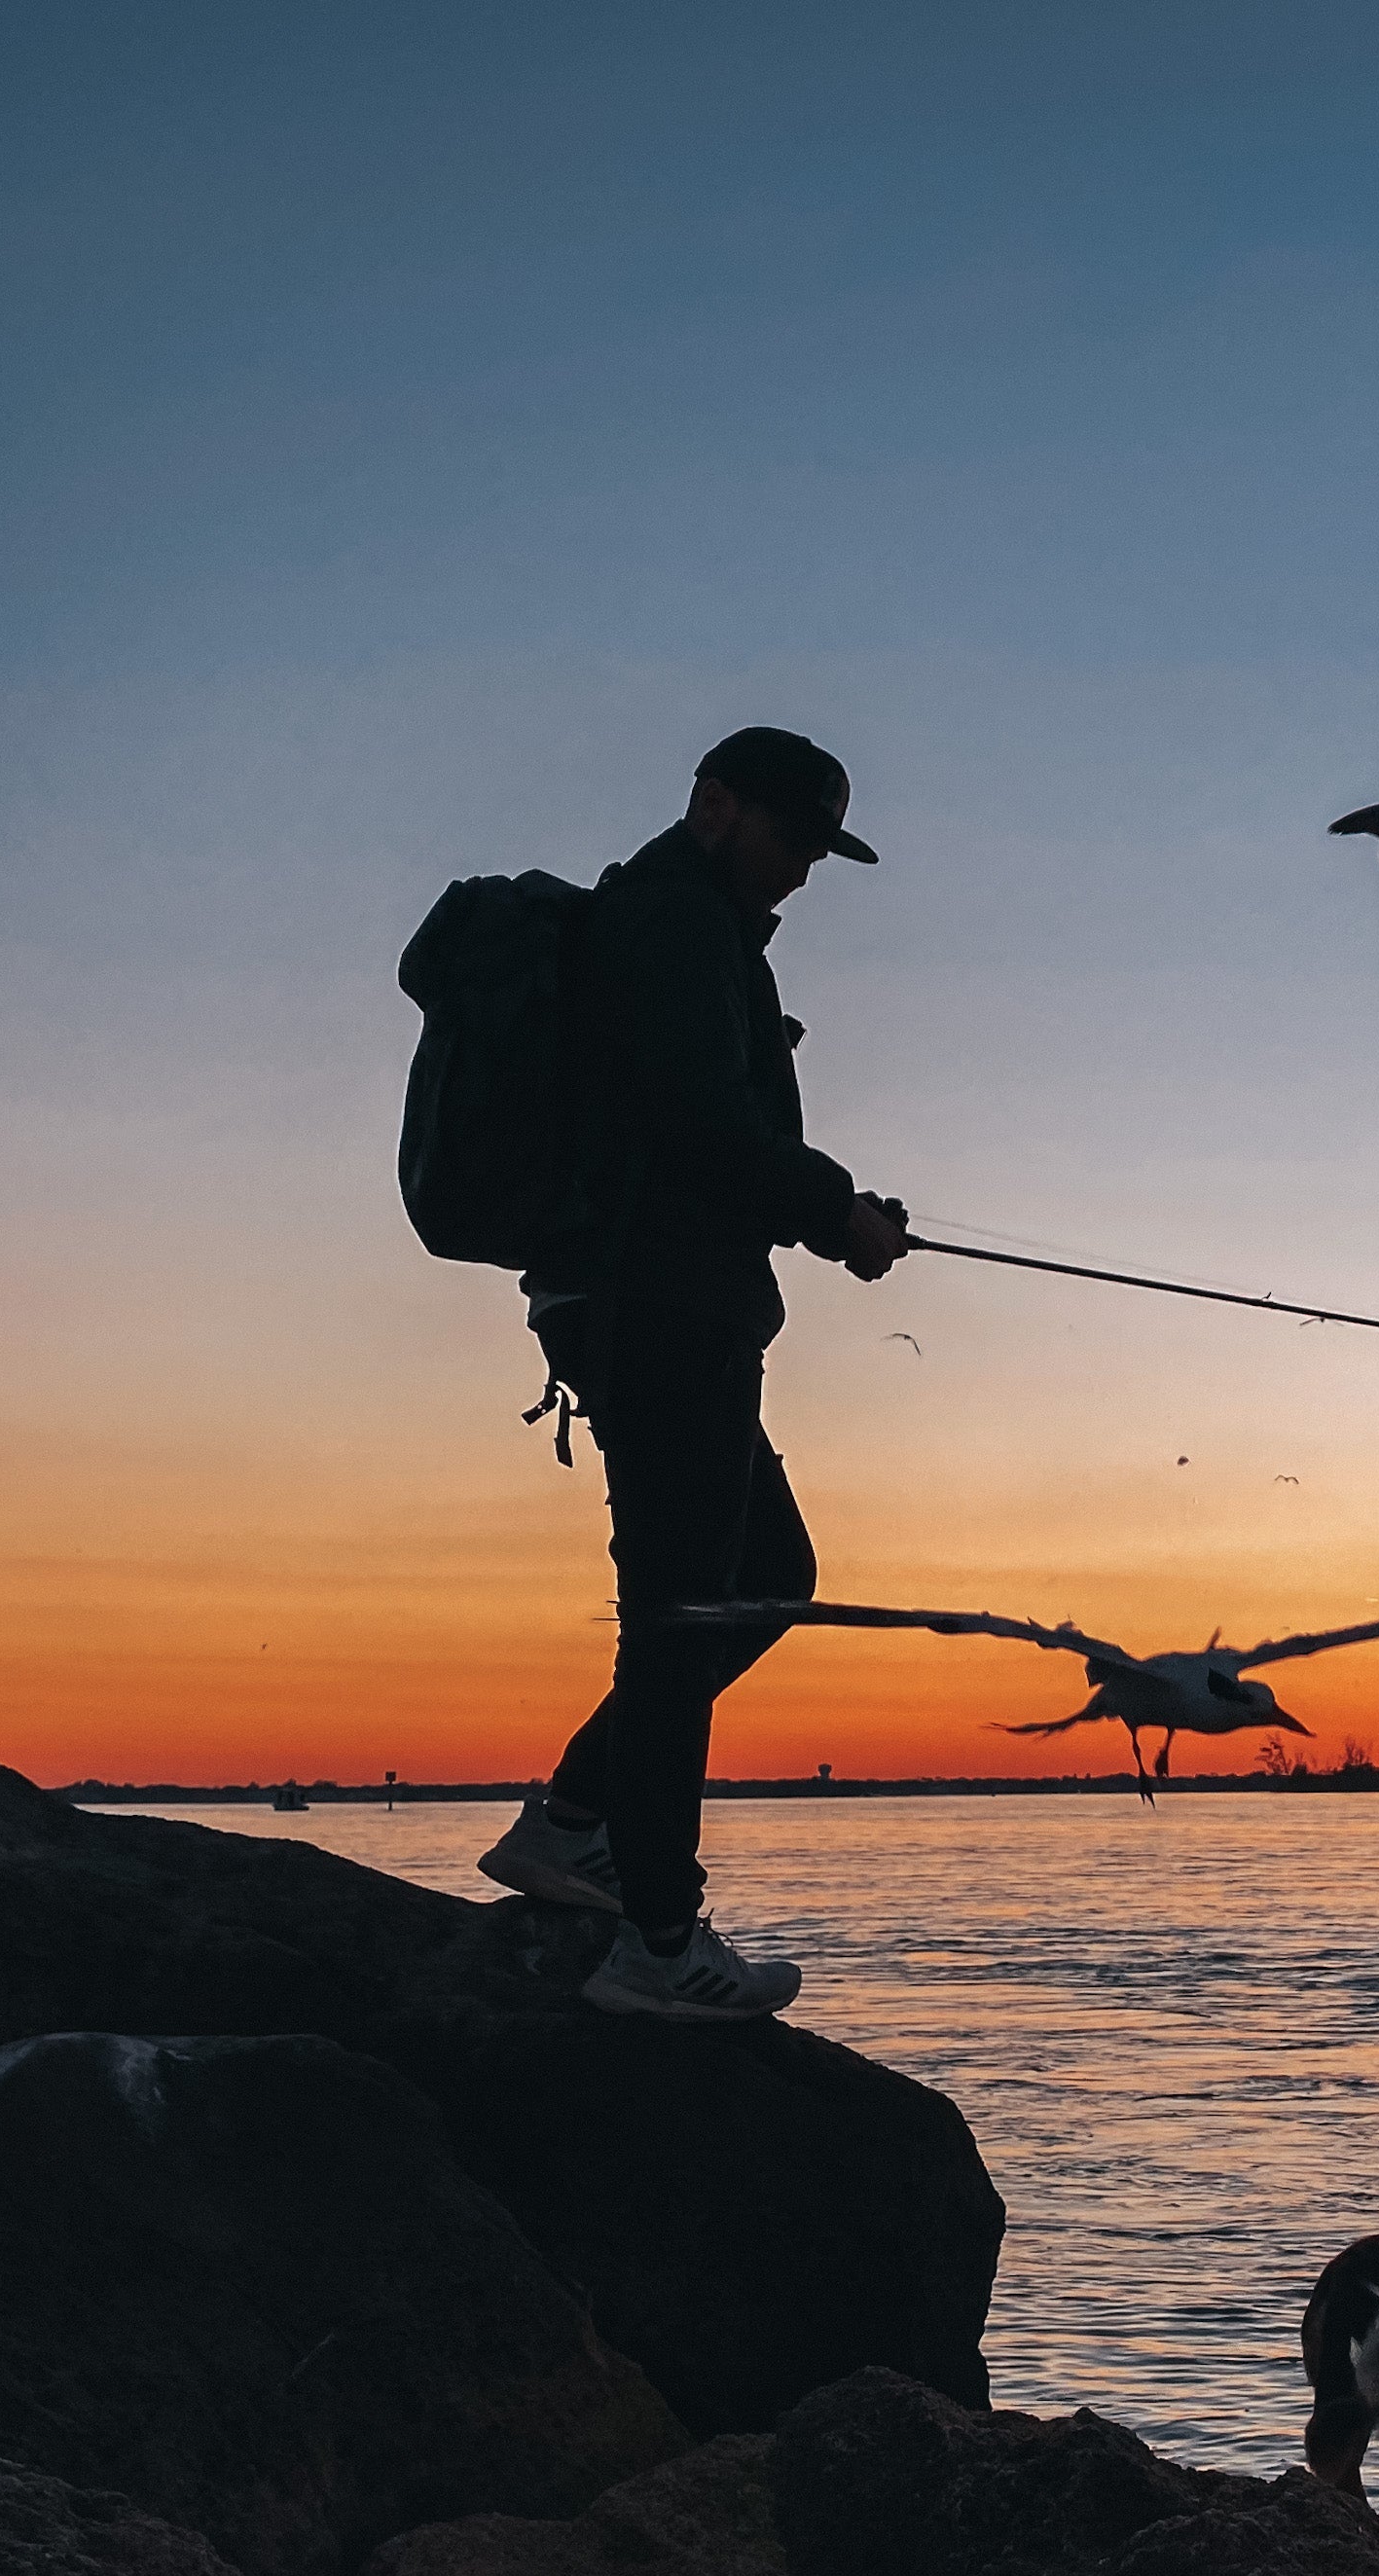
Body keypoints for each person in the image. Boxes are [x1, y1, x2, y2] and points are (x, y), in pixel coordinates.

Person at [475, 727, 909, 2018]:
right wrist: (836, 1214)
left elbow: (705, 1135)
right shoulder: (669, 924)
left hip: (669, 1302)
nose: (802, 874)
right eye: (792, 842)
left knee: (764, 1582)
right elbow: (700, 1127)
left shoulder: (696, 932)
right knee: (685, 1614)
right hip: (653, 1309)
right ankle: (656, 1943)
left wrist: (826, 1206)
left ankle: (573, 1821)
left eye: (820, 854)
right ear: (716, 807)